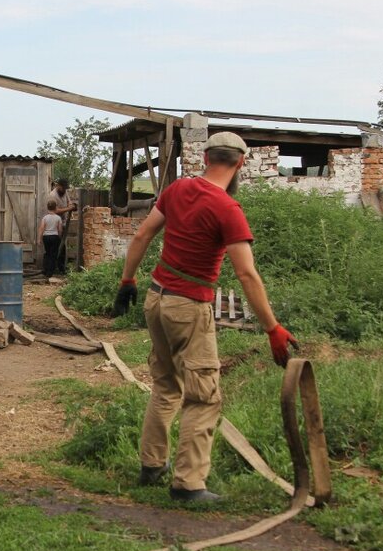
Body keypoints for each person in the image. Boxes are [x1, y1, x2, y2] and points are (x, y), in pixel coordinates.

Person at [112, 132, 297, 502]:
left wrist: (127, 280)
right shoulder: (227, 208)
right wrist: (272, 328)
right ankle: (188, 484)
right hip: (188, 306)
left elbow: (143, 235)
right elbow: (247, 275)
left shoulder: (178, 188)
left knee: (166, 386)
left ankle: (151, 466)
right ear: (240, 163)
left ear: (207, 156)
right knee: (204, 397)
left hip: (156, 297)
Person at [50, 179, 76, 273]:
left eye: (66, 188)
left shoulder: (64, 193)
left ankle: (61, 268)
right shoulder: (53, 195)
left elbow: (69, 202)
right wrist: (68, 209)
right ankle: (54, 268)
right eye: (63, 188)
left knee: (62, 246)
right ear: (58, 186)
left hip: (63, 223)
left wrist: (71, 205)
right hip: (55, 224)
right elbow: (55, 210)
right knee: (56, 245)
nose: (65, 190)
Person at [38, 199, 64, 278]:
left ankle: (45, 270)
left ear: (47, 208)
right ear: (56, 207)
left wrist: (39, 238)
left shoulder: (45, 218)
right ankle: (50, 272)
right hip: (54, 237)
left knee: (47, 253)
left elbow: (41, 228)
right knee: (53, 254)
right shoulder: (58, 218)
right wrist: (59, 236)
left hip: (46, 237)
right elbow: (60, 229)